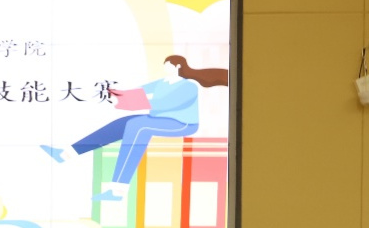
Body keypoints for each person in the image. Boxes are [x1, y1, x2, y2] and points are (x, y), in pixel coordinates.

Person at [40, 54, 229, 202]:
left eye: (169, 66)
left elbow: (165, 104)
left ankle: (118, 190)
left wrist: (129, 103)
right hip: (157, 119)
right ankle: (66, 154)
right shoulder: (163, 82)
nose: (166, 68)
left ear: (178, 67)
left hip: (181, 124)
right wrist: (114, 94)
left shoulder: (188, 87)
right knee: (122, 124)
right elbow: (139, 91)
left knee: (138, 126)